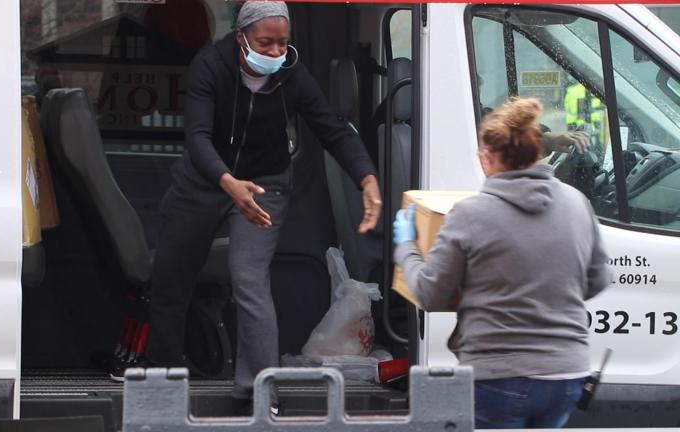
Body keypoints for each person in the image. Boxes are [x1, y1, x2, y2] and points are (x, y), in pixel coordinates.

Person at [124, 0, 382, 405]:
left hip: (265, 186)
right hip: (203, 183)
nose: (276, 53)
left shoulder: (292, 74)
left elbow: (331, 128)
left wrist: (367, 178)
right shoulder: (209, 66)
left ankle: (258, 392)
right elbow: (197, 137)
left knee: (250, 280)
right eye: (266, 44)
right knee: (171, 283)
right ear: (241, 37)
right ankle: (164, 385)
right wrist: (227, 182)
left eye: (283, 44)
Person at [393, 97, 610, 428]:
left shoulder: (471, 214)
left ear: (487, 158)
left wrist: (406, 245)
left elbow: (429, 293)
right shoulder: (577, 203)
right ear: (538, 152)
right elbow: (597, 280)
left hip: (500, 378)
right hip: (568, 375)